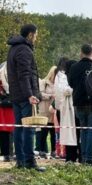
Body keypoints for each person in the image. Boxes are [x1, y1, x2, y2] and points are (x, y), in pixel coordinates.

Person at [6, 24, 45, 171]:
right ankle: (29, 162)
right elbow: (24, 75)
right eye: (36, 34)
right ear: (30, 34)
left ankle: (21, 161)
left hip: (16, 95)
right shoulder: (24, 50)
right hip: (25, 96)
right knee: (28, 128)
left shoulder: (14, 48)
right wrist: (30, 95)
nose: (36, 37)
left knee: (19, 127)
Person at [68, 44, 92, 166]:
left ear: (81, 53)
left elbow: (71, 84)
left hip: (79, 103)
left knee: (84, 130)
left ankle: (84, 157)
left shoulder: (74, 67)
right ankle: (90, 159)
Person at [38, 66, 56, 158]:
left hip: (53, 111)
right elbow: (40, 94)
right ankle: (42, 150)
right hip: (44, 110)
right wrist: (51, 96)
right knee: (44, 131)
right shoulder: (43, 82)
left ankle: (53, 150)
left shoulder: (58, 84)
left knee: (53, 132)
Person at [0, 62, 15, 162]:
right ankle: (6, 154)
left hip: (9, 110)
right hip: (2, 110)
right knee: (4, 132)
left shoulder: (11, 83)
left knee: (8, 132)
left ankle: (8, 153)